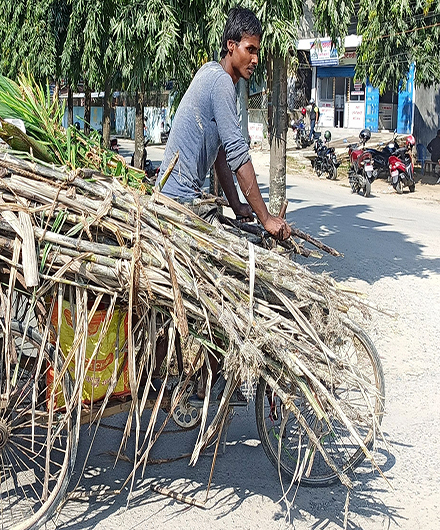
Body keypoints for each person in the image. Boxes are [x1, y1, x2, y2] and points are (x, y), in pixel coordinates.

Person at [155, 6, 290, 405]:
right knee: (230, 278)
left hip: (183, 199)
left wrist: (241, 207)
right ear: (231, 46)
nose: (254, 58)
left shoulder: (214, 78)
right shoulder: (220, 84)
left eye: (257, 51)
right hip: (179, 204)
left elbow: (217, 156)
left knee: (231, 258)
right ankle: (207, 374)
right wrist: (265, 218)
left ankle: (208, 373)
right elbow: (237, 154)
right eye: (249, 49)